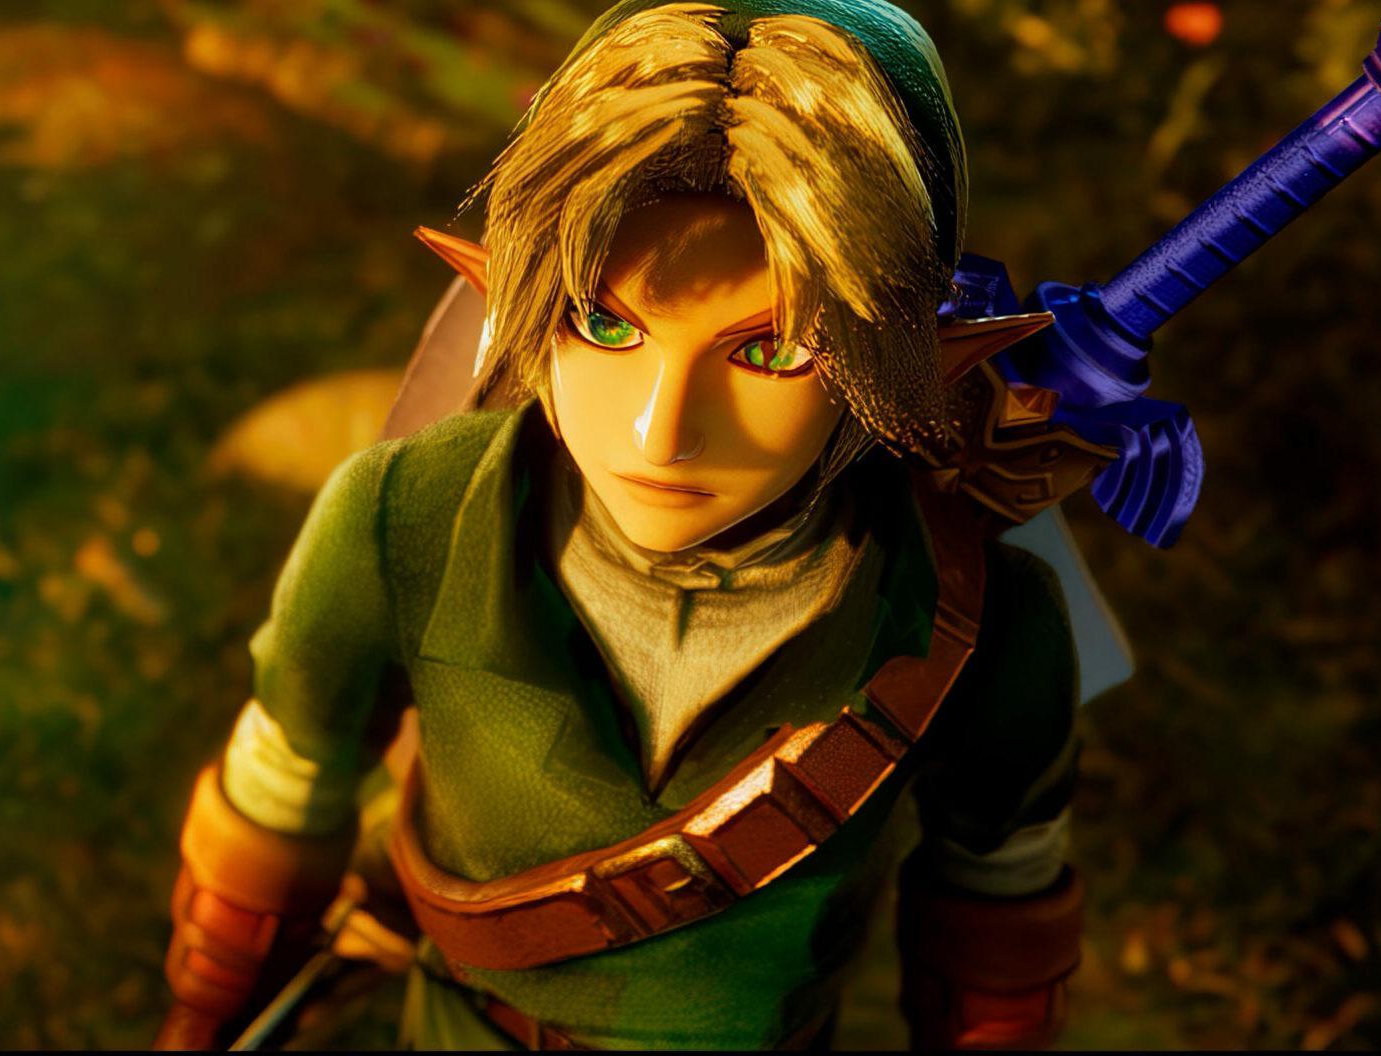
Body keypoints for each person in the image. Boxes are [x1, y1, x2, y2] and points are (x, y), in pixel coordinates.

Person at [158, 1, 1105, 1048]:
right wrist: (203, 1023)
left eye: (771, 350)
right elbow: (280, 790)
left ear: (891, 358)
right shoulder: (405, 513)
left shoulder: (976, 612)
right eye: (604, 321)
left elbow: (998, 903)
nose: (660, 434)